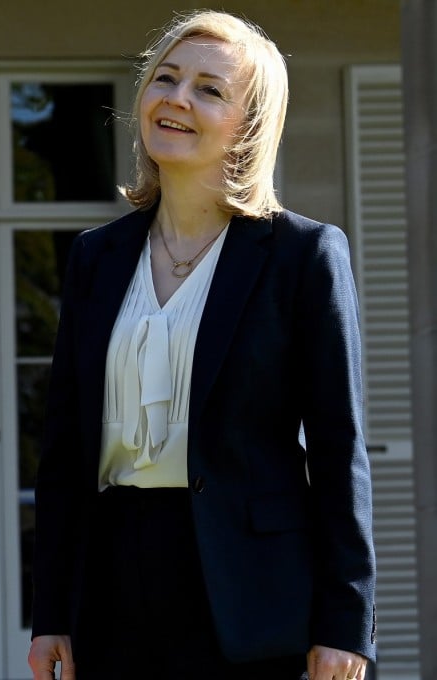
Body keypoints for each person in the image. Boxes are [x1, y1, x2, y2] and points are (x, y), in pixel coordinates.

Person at [27, 9, 375, 680]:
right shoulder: (96, 258)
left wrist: (345, 621)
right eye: (166, 78)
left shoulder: (302, 255)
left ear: (247, 124)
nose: (176, 99)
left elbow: (339, 450)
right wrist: (51, 615)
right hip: (111, 587)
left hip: (251, 597)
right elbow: (64, 455)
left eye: (209, 89)